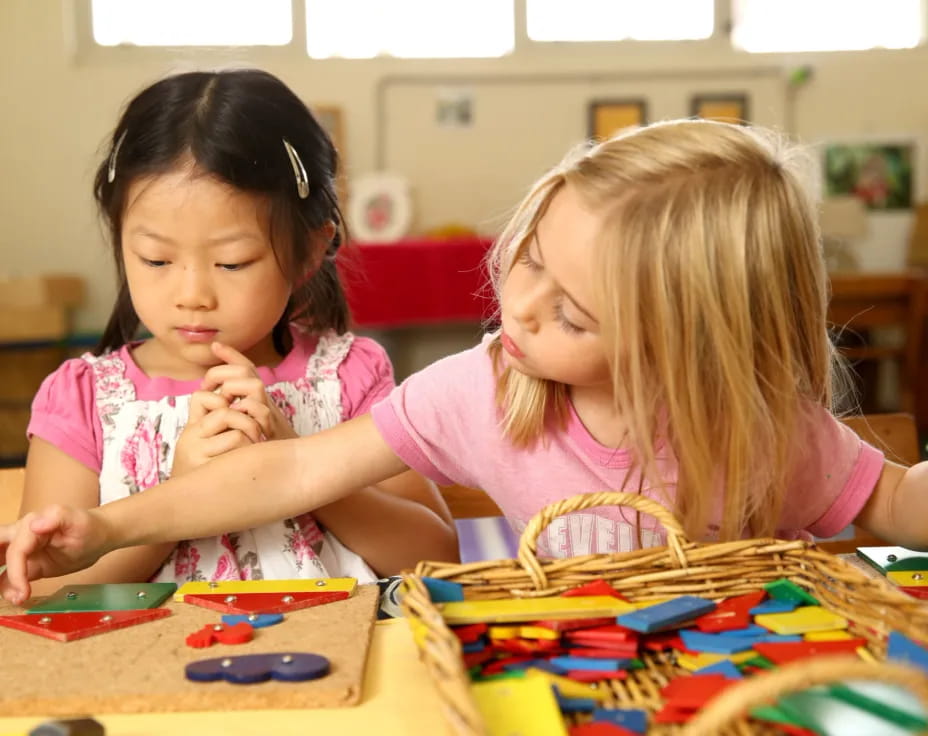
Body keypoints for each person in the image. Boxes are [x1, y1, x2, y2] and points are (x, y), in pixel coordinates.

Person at [4, 119, 927, 605]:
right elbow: (282, 470)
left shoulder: (761, 427)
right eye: (528, 256)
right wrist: (109, 530)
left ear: (692, 342)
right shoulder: (486, 388)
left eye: (570, 310)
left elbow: (894, 504)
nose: (517, 307)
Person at [8, 69, 458, 597]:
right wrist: (178, 497)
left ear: (311, 250)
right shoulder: (82, 399)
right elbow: (37, 593)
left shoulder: (350, 376)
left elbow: (435, 557)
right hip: (148, 675)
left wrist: (298, 465)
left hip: (341, 664)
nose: (193, 293)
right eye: (155, 259)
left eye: (233, 262)